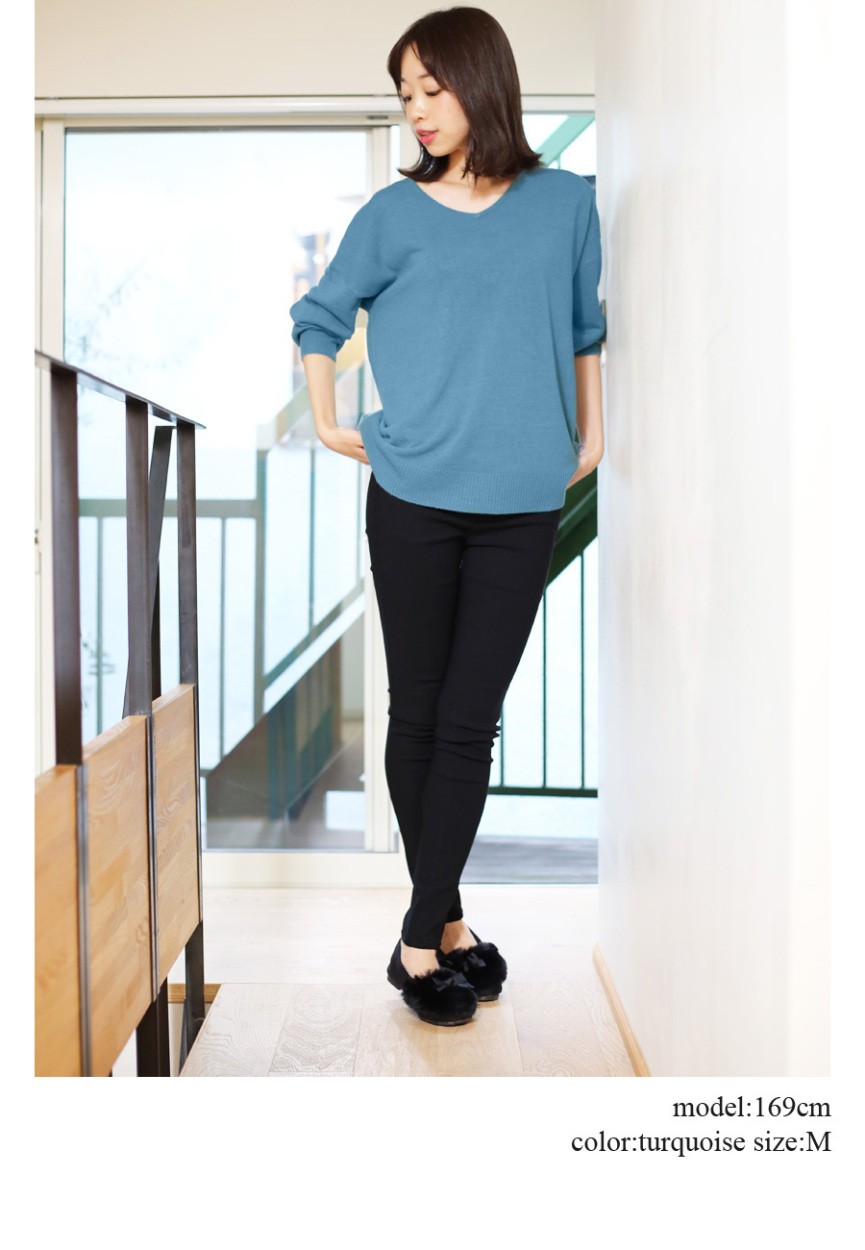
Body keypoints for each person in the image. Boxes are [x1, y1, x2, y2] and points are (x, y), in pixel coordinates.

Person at [289, 6, 605, 1027]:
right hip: (412, 494)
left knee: (470, 719)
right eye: (405, 95)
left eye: (431, 88)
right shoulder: (393, 214)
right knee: (420, 714)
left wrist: (590, 437)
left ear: (482, 79)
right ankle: (440, 932)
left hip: (521, 499)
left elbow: (583, 327)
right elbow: (320, 316)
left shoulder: (564, 203)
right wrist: (329, 422)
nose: (417, 111)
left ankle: (419, 939)